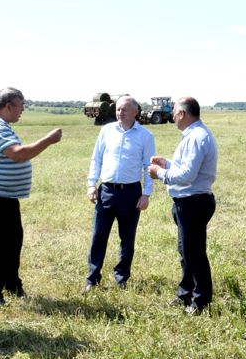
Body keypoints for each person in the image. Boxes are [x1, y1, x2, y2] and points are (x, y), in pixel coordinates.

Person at [0, 87, 62, 306]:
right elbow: (18, 154)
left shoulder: (1, 125)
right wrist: (48, 140)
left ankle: (11, 284)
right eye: (21, 105)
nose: (22, 110)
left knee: (12, 242)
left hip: (5, 196)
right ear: (8, 106)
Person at [147, 96, 218, 315]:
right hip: (189, 202)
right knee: (186, 252)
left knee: (194, 253)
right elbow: (187, 167)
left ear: (182, 114)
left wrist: (160, 173)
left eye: (175, 112)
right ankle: (185, 293)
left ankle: (201, 301)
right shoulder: (195, 135)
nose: (172, 116)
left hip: (193, 203)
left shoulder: (196, 137)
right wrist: (167, 164)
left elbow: (188, 175)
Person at [84, 95, 155, 292]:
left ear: (135, 112)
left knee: (127, 238)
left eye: (124, 109)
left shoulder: (145, 136)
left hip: (131, 193)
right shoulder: (106, 131)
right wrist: (91, 185)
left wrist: (146, 194)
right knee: (99, 236)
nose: (119, 113)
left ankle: (121, 277)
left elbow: (148, 166)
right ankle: (92, 278)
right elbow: (96, 159)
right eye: (117, 109)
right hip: (106, 191)